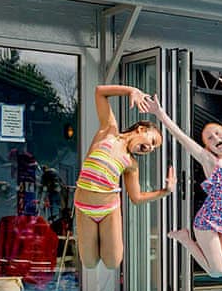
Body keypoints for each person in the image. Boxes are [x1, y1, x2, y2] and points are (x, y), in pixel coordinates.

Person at [146, 74, 222, 278]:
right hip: (207, 222)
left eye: (217, 133)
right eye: (209, 138)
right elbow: (181, 136)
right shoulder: (210, 161)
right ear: (207, 146)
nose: (215, 138)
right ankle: (186, 239)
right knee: (216, 272)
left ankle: (218, 245)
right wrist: (161, 115)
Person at [74, 82, 175, 270]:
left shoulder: (131, 164)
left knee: (112, 263)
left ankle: (105, 238)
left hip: (108, 208)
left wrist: (164, 191)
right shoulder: (108, 131)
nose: (151, 148)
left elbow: (136, 198)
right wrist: (131, 91)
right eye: (152, 141)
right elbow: (99, 92)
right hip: (84, 207)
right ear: (141, 129)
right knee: (88, 263)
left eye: (154, 149)